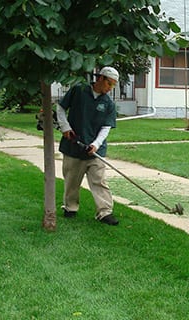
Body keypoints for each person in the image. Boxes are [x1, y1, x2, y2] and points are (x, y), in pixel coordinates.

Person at [56, 66, 120, 226]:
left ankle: (105, 212)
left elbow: (106, 128)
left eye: (113, 86)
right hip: (73, 146)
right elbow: (61, 108)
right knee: (72, 181)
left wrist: (96, 144)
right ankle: (70, 208)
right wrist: (65, 128)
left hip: (95, 150)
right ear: (100, 78)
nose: (110, 88)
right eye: (109, 84)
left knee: (99, 181)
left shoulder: (108, 104)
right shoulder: (79, 90)